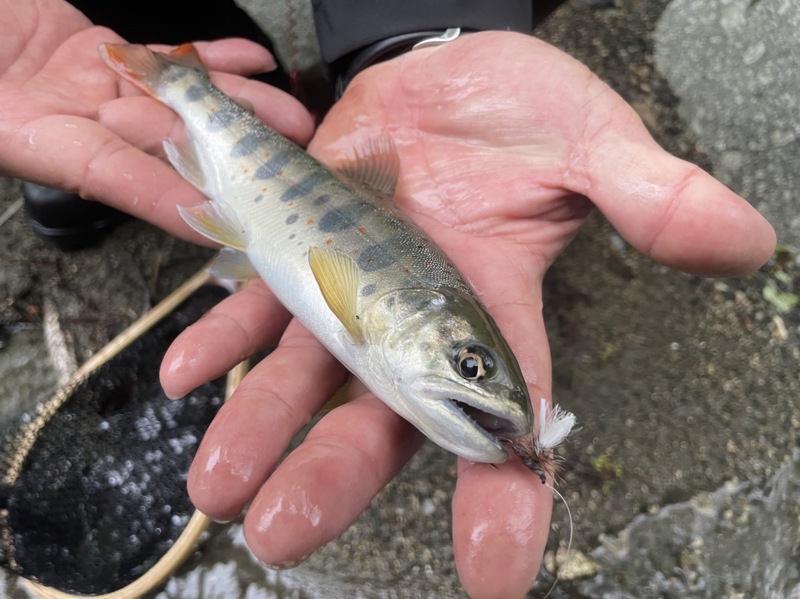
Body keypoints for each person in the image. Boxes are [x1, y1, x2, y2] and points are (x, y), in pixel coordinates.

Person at [0, 1, 776, 598]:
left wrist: (414, 31)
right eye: (471, 364)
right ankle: (178, 84)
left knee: (221, 157)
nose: (477, 383)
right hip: (113, 85)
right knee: (193, 124)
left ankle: (215, 78)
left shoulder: (416, 351)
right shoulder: (375, 322)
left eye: (471, 368)